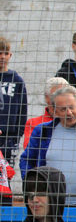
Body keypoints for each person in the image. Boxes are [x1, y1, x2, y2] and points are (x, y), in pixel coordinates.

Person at [21, 85, 76, 204]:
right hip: (51, 203)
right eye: (63, 109)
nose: (69, 113)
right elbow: (26, 159)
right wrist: (32, 186)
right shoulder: (43, 131)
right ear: (54, 110)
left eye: (72, 107)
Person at [23, 76, 76, 148]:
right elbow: (29, 151)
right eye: (56, 95)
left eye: (64, 94)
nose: (60, 99)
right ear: (46, 97)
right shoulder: (34, 123)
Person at [0, 37, 27, 165]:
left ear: (10, 55)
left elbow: (22, 111)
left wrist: (16, 136)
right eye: (0, 53)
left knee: (6, 175)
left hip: (8, 138)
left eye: (5, 53)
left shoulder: (17, 81)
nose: (2, 57)